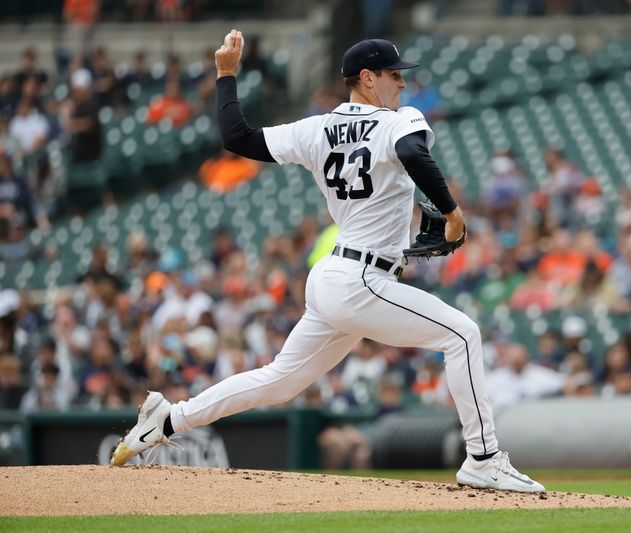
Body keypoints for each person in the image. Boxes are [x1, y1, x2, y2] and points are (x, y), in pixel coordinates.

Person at [111, 31, 544, 493]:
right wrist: (453, 212)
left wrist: (226, 74)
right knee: (463, 334)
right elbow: (412, 151)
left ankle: (169, 419)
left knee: (279, 382)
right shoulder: (398, 120)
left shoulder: (315, 128)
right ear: (366, 78)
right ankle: (483, 458)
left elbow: (236, 136)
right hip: (361, 279)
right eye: (393, 75)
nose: (401, 85)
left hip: (335, 277)